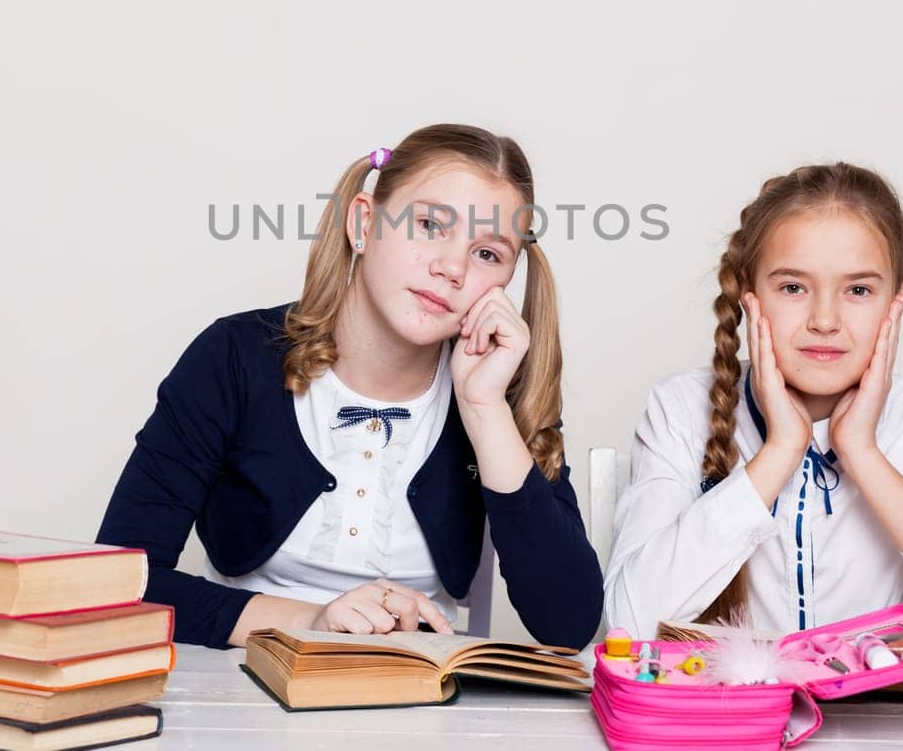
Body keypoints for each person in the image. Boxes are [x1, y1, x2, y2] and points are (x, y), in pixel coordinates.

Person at [99, 123, 602, 649]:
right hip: (240, 680)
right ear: (363, 223)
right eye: (429, 224)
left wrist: (484, 409)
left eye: (487, 254)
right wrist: (313, 621)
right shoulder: (233, 357)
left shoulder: (498, 389)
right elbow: (117, 583)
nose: (451, 267)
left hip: (425, 701)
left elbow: (567, 624)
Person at [605, 162, 903, 635]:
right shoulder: (681, 407)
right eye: (793, 287)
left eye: (858, 290)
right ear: (749, 293)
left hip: (885, 710)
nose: (824, 320)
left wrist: (863, 454)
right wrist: (779, 453)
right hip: (731, 708)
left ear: (900, 297)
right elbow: (629, 625)